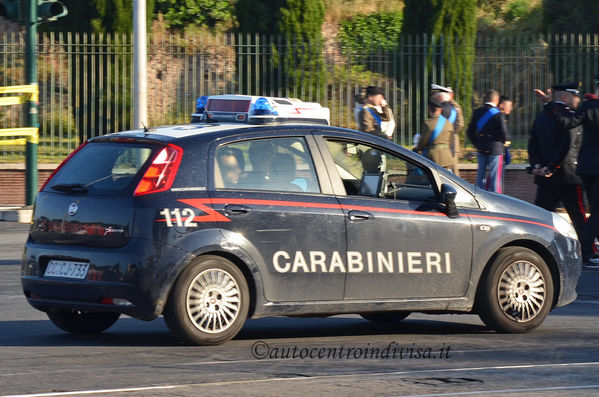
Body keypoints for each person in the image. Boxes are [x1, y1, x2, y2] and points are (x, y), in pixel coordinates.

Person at [535, 77, 599, 268]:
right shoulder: (585, 106)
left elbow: (565, 124)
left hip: (584, 168)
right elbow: (567, 138)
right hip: (574, 172)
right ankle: (588, 250)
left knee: (589, 212)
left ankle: (585, 249)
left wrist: (550, 104)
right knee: (588, 213)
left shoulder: (586, 107)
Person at [528, 83, 585, 243]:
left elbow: (533, 143)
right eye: (575, 95)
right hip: (567, 175)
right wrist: (551, 167)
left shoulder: (541, 116)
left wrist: (536, 165)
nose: (578, 99)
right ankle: (588, 252)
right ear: (566, 97)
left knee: (541, 216)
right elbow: (567, 145)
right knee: (578, 215)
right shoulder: (569, 117)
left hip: (545, 176)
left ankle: (536, 243)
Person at [466, 89, 509, 193]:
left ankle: (480, 199)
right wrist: (505, 141)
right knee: (495, 178)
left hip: (481, 148)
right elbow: (504, 132)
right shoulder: (499, 114)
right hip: (495, 149)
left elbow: (470, 132)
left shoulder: (477, 112)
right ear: (497, 100)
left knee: (480, 176)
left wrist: (477, 143)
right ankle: (496, 200)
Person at [413, 95, 455, 169]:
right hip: (447, 157)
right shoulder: (449, 124)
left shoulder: (428, 123)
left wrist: (417, 149)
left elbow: (423, 142)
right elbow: (450, 141)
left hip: (432, 158)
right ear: (441, 110)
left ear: (429, 109)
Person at [431, 84, 464, 175]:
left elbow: (460, 124)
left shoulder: (450, 107)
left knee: (452, 173)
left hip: (449, 143)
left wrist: (448, 133)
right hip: (448, 142)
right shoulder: (449, 107)